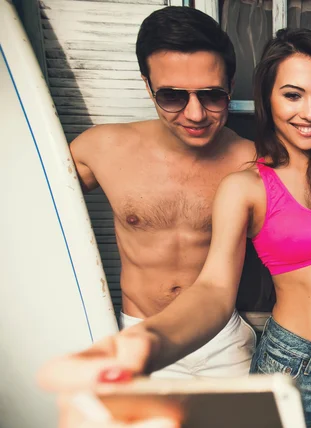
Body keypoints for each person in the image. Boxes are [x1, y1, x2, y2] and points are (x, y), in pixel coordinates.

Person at [41, 28, 311, 428]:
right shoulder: (246, 185)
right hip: (297, 366)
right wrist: (145, 345)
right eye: (292, 95)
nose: (310, 112)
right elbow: (214, 289)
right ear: (267, 97)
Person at [68, 6, 257, 379]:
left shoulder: (251, 161)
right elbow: (29, 204)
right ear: (146, 85)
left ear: (231, 88)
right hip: (139, 334)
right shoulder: (101, 149)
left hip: (223, 342)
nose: (195, 114)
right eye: (171, 96)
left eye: (212, 96)